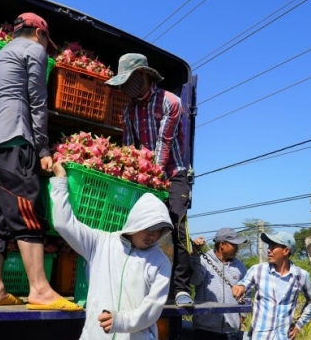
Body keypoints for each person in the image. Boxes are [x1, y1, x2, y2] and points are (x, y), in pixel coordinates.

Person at [0, 12, 80, 310]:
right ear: (39, 34)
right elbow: (37, 99)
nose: (46, 50)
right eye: (47, 43)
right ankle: (40, 290)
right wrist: (43, 149)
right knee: (28, 213)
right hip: (12, 143)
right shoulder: (33, 50)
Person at [105, 53, 193, 307]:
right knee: (136, 229)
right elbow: (129, 148)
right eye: (123, 82)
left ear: (144, 75)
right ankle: (137, 284)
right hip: (145, 177)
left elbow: (163, 144)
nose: (127, 87)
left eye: (131, 80)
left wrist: (153, 176)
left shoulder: (170, 102)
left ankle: (180, 289)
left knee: (176, 225)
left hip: (172, 173)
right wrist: (131, 175)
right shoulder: (128, 111)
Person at [50, 161, 174, 340]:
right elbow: (64, 224)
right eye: (148, 228)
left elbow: (153, 308)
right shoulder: (100, 243)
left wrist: (122, 321)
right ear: (136, 221)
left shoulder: (160, 262)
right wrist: (60, 182)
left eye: (159, 231)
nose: (152, 236)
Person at [232, 231, 311, 339]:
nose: (268, 249)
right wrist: (240, 287)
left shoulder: (301, 276)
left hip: (283, 336)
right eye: (269, 246)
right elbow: (244, 283)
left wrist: (298, 326)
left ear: (286, 251)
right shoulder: (258, 270)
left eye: (273, 246)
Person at [190, 228, 249, 340]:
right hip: (204, 329)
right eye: (234, 245)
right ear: (222, 245)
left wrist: (242, 316)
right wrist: (195, 254)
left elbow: (247, 293)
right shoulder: (203, 261)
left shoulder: (240, 267)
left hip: (230, 331)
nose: (237, 248)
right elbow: (195, 280)